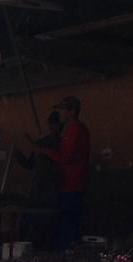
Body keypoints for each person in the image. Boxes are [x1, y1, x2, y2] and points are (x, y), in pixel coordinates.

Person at [28, 96, 90, 252]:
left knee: (66, 227)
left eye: (63, 110)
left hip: (71, 185)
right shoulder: (71, 130)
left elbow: (66, 158)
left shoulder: (76, 130)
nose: (60, 113)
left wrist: (44, 151)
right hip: (67, 185)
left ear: (72, 111)